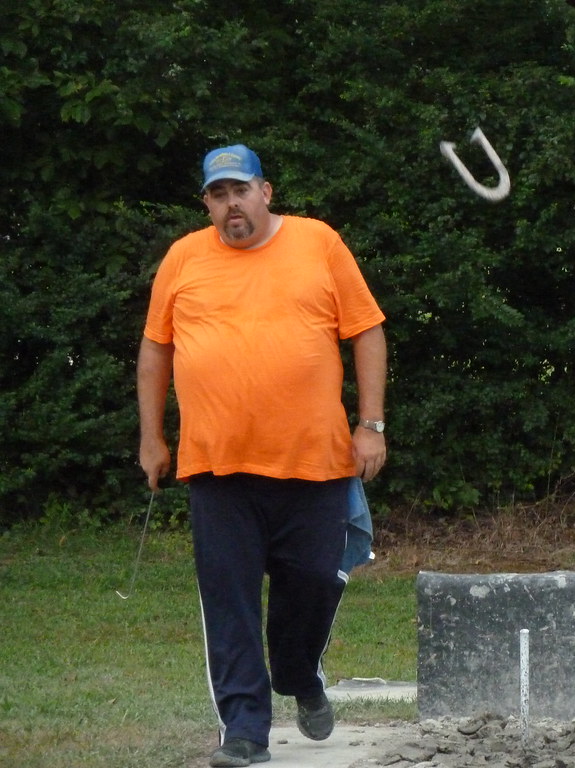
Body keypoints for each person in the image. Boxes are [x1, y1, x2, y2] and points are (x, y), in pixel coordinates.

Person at [137, 144, 387, 767]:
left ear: (265, 192)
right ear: (207, 204)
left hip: (315, 463)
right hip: (217, 468)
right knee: (230, 602)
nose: (231, 206)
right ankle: (245, 730)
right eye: (218, 196)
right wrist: (151, 436)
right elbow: (155, 352)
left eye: (240, 191)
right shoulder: (183, 258)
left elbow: (366, 330)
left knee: (312, 587)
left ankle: (298, 673)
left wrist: (372, 424)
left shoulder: (317, 242)